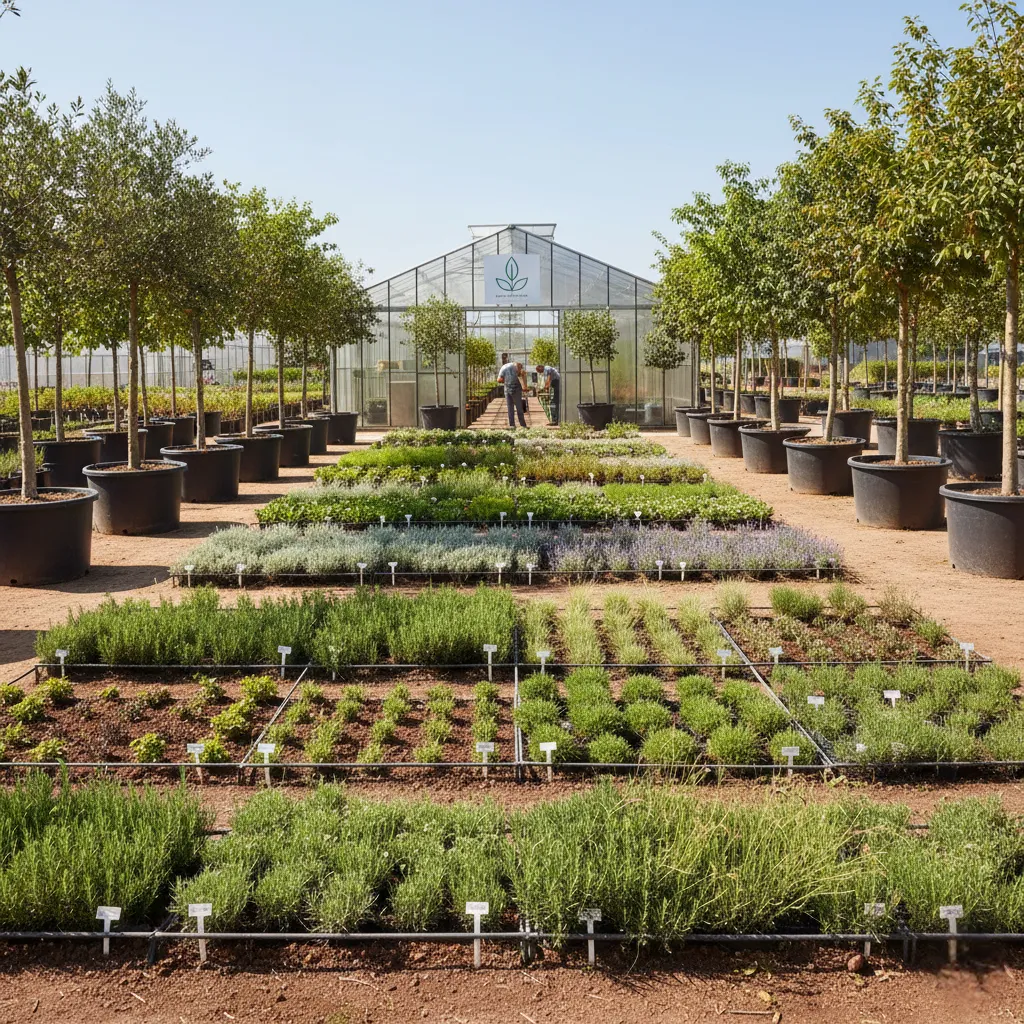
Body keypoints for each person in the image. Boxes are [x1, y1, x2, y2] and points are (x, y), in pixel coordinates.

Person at [497, 356, 527, 428]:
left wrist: (524, 386)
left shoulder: (508, 367)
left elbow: (522, 376)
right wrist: (506, 381)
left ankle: (514, 425)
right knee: (517, 407)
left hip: (510, 389)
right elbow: (499, 380)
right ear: (517, 366)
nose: (519, 371)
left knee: (512, 408)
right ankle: (520, 425)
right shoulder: (506, 368)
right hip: (511, 389)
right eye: (519, 369)